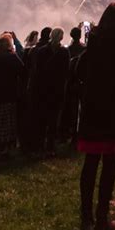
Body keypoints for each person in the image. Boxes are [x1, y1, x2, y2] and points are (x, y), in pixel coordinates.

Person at [77, 3, 115, 230]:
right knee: (110, 165)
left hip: (94, 106)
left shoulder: (95, 39)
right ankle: (102, 216)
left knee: (90, 163)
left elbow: (81, 70)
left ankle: (85, 214)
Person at [30, 27, 69, 156]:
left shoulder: (42, 51)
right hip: (56, 89)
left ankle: (39, 145)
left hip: (43, 88)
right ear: (62, 37)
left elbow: (37, 70)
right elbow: (66, 72)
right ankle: (50, 147)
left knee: (42, 119)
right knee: (53, 120)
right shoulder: (64, 52)